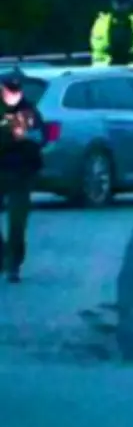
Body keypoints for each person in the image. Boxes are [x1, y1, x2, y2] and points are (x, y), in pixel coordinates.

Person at [0, 73, 45, 283]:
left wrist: (25, 135)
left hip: (21, 173)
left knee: (17, 221)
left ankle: (13, 264)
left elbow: (40, 137)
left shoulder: (30, 111)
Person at [90, 0, 133, 67]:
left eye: (123, 4)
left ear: (128, 5)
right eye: (118, 3)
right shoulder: (102, 20)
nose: (120, 6)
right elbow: (97, 44)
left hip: (130, 65)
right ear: (112, 3)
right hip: (105, 66)